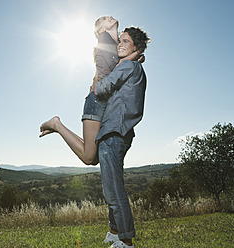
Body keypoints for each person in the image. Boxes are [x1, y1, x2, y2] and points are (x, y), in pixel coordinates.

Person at [39, 16, 142, 165]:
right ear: (101, 29)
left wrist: (135, 56)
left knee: (93, 158)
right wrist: (135, 55)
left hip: (104, 102)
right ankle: (56, 125)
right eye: (105, 19)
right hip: (97, 101)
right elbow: (115, 70)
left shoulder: (114, 44)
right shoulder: (104, 39)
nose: (110, 17)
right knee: (89, 157)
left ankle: (57, 127)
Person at [94, 27, 150, 248]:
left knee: (114, 190)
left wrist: (97, 86)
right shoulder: (133, 66)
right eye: (120, 40)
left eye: (125, 41)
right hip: (118, 133)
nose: (120, 44)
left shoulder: (129, 65)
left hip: (114, 133)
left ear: (137, 48)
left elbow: (102, 88)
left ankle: (125, 242)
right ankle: (115, 231)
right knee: (111, 187)